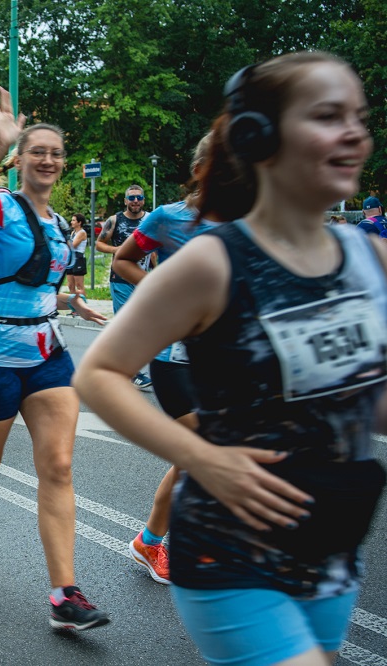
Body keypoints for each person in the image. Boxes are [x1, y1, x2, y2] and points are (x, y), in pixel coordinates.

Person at [75, 52, 385, 666]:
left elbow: (369, 400)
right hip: (231, 554)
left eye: (360, 117)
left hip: (334, 551)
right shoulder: (213, 261)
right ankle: (154, 538)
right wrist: (201, 458)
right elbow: (99, 374)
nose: (355, 133)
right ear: (260, 136)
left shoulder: (369, 257)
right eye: (328, 115)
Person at [0, 87, 109, 631]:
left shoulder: (60, 226)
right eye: (37, 150)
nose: (48, 160)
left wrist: (73, 303)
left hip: (46, 356)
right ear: (21, 158)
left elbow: (33, 288)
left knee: (58, 466)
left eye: (56, 153)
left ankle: (65, 593)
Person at [109, 133, 219, 585]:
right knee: (201, 454)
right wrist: (164, 295)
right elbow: (122, 260)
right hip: (179, 359)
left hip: (231, 361)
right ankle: (154, 543)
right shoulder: (169, 218)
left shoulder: (248, 220)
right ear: (202, 170)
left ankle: (164, 541)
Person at [96, 184, 154, 390]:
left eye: (139, 197)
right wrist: (117, 249)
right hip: (120, 279)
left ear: (144, 200)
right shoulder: (115, 220)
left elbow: (155, 250)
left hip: (143, 279)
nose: (135, 201)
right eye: (132, 198)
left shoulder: (150, 219)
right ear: (125, 200)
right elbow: (99, 243)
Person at [64, 214, 88, 299]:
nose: (71, 222)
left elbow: (73, 245)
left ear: (79, 222)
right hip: (71, 257)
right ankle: (74, 307)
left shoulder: (82, 233)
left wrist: (64, 242)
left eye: (74, 220)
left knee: (79, 285)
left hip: (78, 258)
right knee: (70, 284)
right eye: (72, 220)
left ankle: (83, 307)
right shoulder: (73, 232)